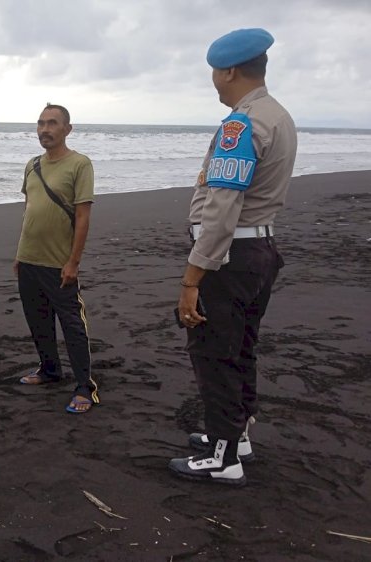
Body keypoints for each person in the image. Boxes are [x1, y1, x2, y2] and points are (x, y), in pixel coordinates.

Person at [168, 29, 297, 485]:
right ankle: (235, 435)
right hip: (258, 249)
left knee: (215, 351)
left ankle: (223, 458)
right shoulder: (277, 114)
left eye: (215, 74)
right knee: (241, 346)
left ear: (229, 71)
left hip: (230, 256)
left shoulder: (240, 125)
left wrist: (191, 280)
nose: (214, 82)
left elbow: (222, 209)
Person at [14, 104, 99, 414]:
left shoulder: (80, 164)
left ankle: (84, 386)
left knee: (73, 325)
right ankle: (50, 370)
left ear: (67, 129)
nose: (44, 129)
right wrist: (19, 254)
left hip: (59, 263)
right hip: (29, 260)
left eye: (52, 123)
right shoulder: (32, 165)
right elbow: (29, 210)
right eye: (40, 123)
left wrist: (73, 262)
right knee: (38, 320)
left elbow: (83, 216)